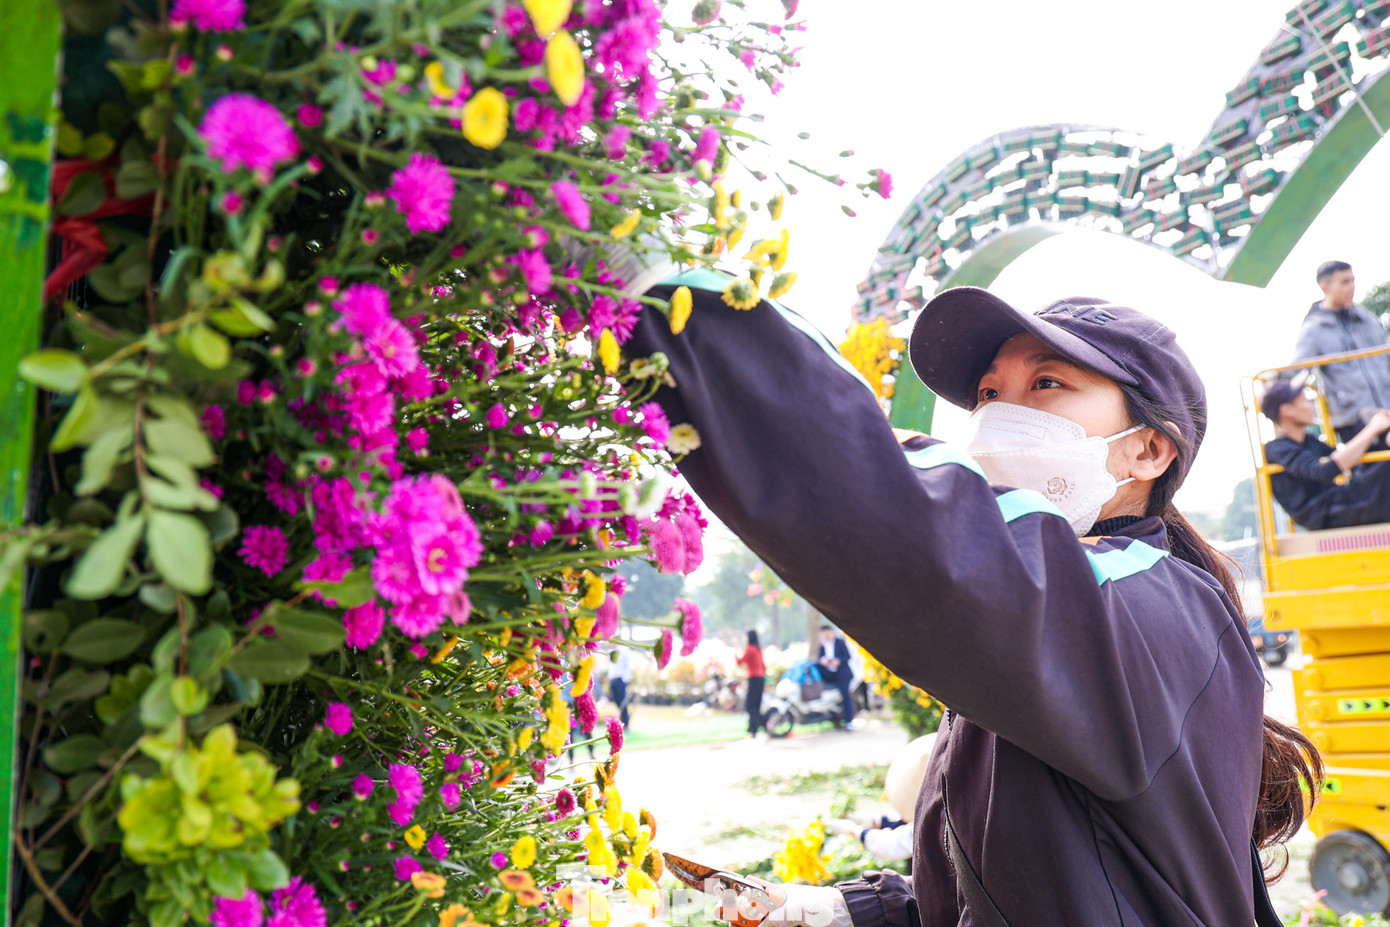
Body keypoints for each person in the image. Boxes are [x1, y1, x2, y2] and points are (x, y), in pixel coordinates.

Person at [622, 273, 1321, 927]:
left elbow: (923, 538)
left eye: (1046, 382)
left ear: (1147, 450)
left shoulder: (1154, 604)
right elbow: (1026, 876)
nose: (999, 416)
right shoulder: (1066, 610)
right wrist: (845, 907)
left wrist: (669, 304)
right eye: (988, 393)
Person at [1262, 375, 1390, 529]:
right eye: (1304, 400)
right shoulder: (1277, 448)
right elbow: (1322, 470)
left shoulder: (1308, 440)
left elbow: (1345, 457)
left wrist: (1380, 434)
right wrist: (1372, 429)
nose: (1311, 405)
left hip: (1340, 500)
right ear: (1287, 410)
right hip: (1324, 513)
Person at [1291, 260, 1390, 443]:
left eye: (1352, 281)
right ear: (1325, 287)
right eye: (1344, 282)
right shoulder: (1315, 329)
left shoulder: (1366, 318)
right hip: (1355, 419)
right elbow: (1297, 369)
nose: (1351, 287)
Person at [816, 624, 855, 728]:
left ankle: (849, 722)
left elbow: (847, 656)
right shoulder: (823, 645)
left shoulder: (839, 643)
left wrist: (838, 661)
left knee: (845, 695)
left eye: (828, 632)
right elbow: (819, 659)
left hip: (841, 673)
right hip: (829, 674)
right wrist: (823, 661)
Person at [734, 629, 767, 736]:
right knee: (755, 705)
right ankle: (753, 729)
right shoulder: (757, 650)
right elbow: (763, 666)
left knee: (750, 706)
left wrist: (735, 648)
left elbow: (740, 662)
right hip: (760, 679)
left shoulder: (750, 650)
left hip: (754, 679)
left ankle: (763, 724)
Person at [608, 644, 633, 729]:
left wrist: (626, 680)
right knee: (616, 701)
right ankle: (621, 721)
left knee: (622, 702)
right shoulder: (610, 651)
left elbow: (628, 665)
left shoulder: (624, 650)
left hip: (621, 679)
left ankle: (626, 723)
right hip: (613, 679)